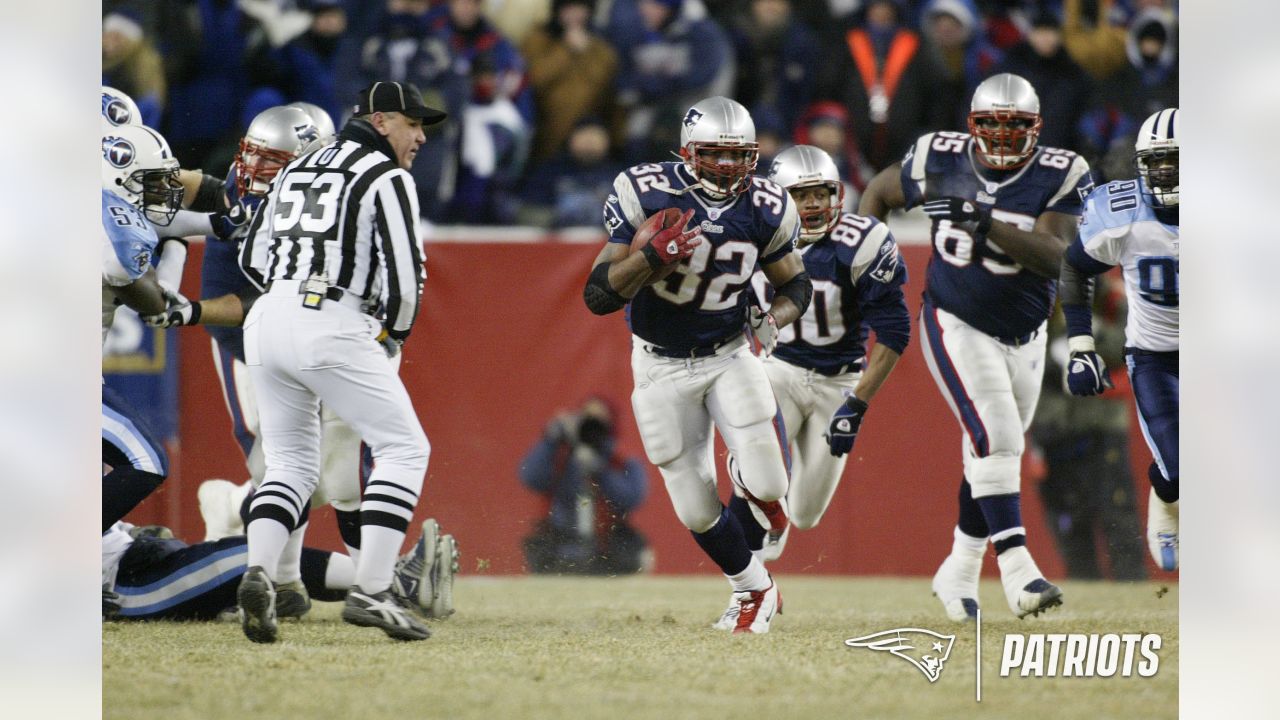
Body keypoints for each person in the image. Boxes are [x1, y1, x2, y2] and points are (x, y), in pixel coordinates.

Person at [859, 73, 1094, 621]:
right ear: (972, 125)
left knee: (990, 454)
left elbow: (1059, 256)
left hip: (1027, 330)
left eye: (1016, 128)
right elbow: (876, 193)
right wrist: (866, 271)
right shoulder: (938, 158)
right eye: (992, 125)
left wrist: (984, 222)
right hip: (955, 319)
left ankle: (959, 569)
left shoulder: (1063, 171)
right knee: (999, 437)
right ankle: (1018, 570)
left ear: (1036, 129)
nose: (1005, 138)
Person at [584, 96, 812, 634]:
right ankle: (755, 589)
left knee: (770, 484)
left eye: (740, 156)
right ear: (688, 151)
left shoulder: (767, 205)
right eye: (716, 155)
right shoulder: (645, 191)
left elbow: (795, 283)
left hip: (729, 352)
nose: (729, 168)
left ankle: (745, 476)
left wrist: (773, 316)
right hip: (660, 364)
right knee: (693, 508)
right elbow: (598, 296)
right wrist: (651, 258)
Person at [228, 81, 445, 643]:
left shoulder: (297, 167)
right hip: (331, 317)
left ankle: (260, 572)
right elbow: (405, 278)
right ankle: (373, 591)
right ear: (380, 121)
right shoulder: (386, 176)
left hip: (269, 318)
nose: (420, 136)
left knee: (291, 466)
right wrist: (391, 335)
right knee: (404, 448)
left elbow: (252, 257)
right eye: (412, 123)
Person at [738, 144, 909, 561]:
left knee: (807, 513)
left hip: (839, 380)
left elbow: (895, 333)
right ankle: (748, 574)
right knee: (761, 469)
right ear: (778, 197)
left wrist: (858, 404)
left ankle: (773, 511)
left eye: (821, 193)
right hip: (779, 367)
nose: (813, 204)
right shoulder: (750, 233)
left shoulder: (862, 242)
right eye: (801, 194)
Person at [1058, 108, 1178, 572]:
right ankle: (1168, 493)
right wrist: (1081, 345)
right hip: (1155, 357)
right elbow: (1074, 266)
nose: (1166, 170)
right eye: (1158, 160)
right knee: (1180, 466)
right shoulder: (1123, 213)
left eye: (1177, 160)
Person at [101, 122, 185, 536]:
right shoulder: (107, 215)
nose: (159, 192)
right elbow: (153, 306)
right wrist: (177, 249)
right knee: (145, 461)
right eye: (149, 182)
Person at [103, 519, 443, 621]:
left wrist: (129, 532)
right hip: (124, 589)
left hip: (129, 565)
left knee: (260, 554)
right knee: (253, 557)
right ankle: (398, 582)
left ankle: (395, 583)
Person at [520, 397, 650, 575]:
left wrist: (601, 470)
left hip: (607, 550)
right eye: (587, 421)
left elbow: (631, 499)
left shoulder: (621, 460)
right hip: (560, 547)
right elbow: (531, 479)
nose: (592, 430)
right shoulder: (561, 457)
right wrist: (549, 441)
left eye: (598, 424)